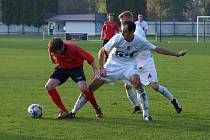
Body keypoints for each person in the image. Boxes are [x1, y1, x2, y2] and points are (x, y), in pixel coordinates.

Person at [68, 21, 186, 121]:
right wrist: (102, 68)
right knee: (92, 87)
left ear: (131, 32)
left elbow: (158, 49)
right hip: (112, 65)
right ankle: (73, 111)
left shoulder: (140, 41)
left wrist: (176, 54)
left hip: (128, 66)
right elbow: (102, 51)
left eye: (125, 31)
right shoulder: (118, 38)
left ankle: (146, 114)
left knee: (137, 82)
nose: (122, 33)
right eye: (122, 30)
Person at [119, 11, 184, 114]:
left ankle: (174, 101)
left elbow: (154, 48)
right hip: (134, 63)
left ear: (129, 20)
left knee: (155, 87)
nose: (122, 24)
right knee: (127, 86)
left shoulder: (138, 31)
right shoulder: (124, 31)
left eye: (124, 22)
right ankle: (137, 108)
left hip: (146, 61)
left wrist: (176, 54)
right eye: (121, 22)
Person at [44, 37, 102, 119]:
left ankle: (97, 109)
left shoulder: (73, 48)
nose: (58, 53)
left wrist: (95, 70)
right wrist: (54, 59)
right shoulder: (53, 49)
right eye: (56, 52)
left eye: (59, 51)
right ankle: (64, 111)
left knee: (84, 89)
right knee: (48, 87)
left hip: (76, 68)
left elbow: (89, 58)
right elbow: (51, 53)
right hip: (62, 68)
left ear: (63, 46)